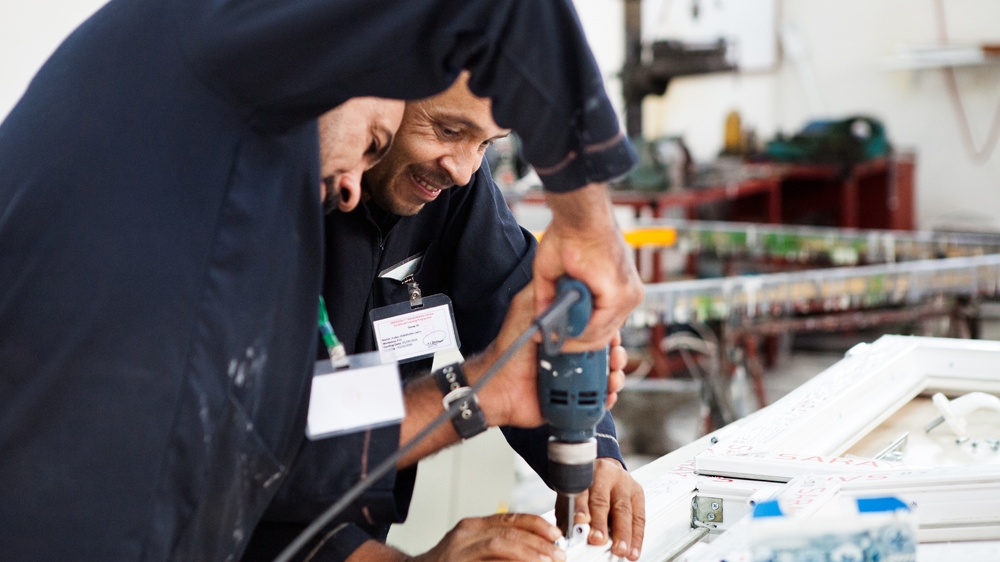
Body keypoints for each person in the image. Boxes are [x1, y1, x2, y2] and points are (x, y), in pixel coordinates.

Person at [0, 0, 641, 560]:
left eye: (490, 144)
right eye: (381, 138)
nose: (350, 187)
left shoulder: (244, 206)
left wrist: (548, 422)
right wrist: (588, 227)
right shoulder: (203, 62)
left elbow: (279, 445)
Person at [242, 74, 645, 562]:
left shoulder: (453, 185)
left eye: (487, 143)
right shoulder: (257, 211)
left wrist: (590, 448)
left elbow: (525, 318)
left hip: (358, 513)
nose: (463, 168)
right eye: (448, 131)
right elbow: (242, 478)